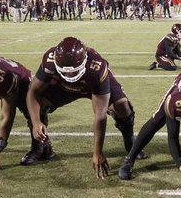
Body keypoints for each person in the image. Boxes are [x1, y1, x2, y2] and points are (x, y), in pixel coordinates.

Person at [27, 36, 138, 178]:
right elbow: (33, 91)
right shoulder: (50, 61)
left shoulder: (96, 67)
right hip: (63, 87)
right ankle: (40, 147)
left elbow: (100, 115)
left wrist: (98, 152)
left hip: (90, 82)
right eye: (66, 71)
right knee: (38, 103)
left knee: (121, 106)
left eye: (73, 71)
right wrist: (36, 122)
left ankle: (130, 142)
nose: (70, 74)